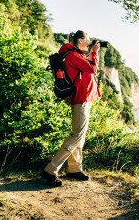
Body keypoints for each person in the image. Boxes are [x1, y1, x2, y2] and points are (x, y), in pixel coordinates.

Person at [41, 30, 101, 187]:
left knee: (80, 136)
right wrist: (94, 53)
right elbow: (92, 69)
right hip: (80, 99)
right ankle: (50, 170)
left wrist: (91, 54)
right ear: (80, 40)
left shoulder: (76, 54)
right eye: (87, 39)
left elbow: (87, 70)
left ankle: (74, 168)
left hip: (84, 98)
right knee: (77, 135)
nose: (89, 42)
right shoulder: (73, 55)